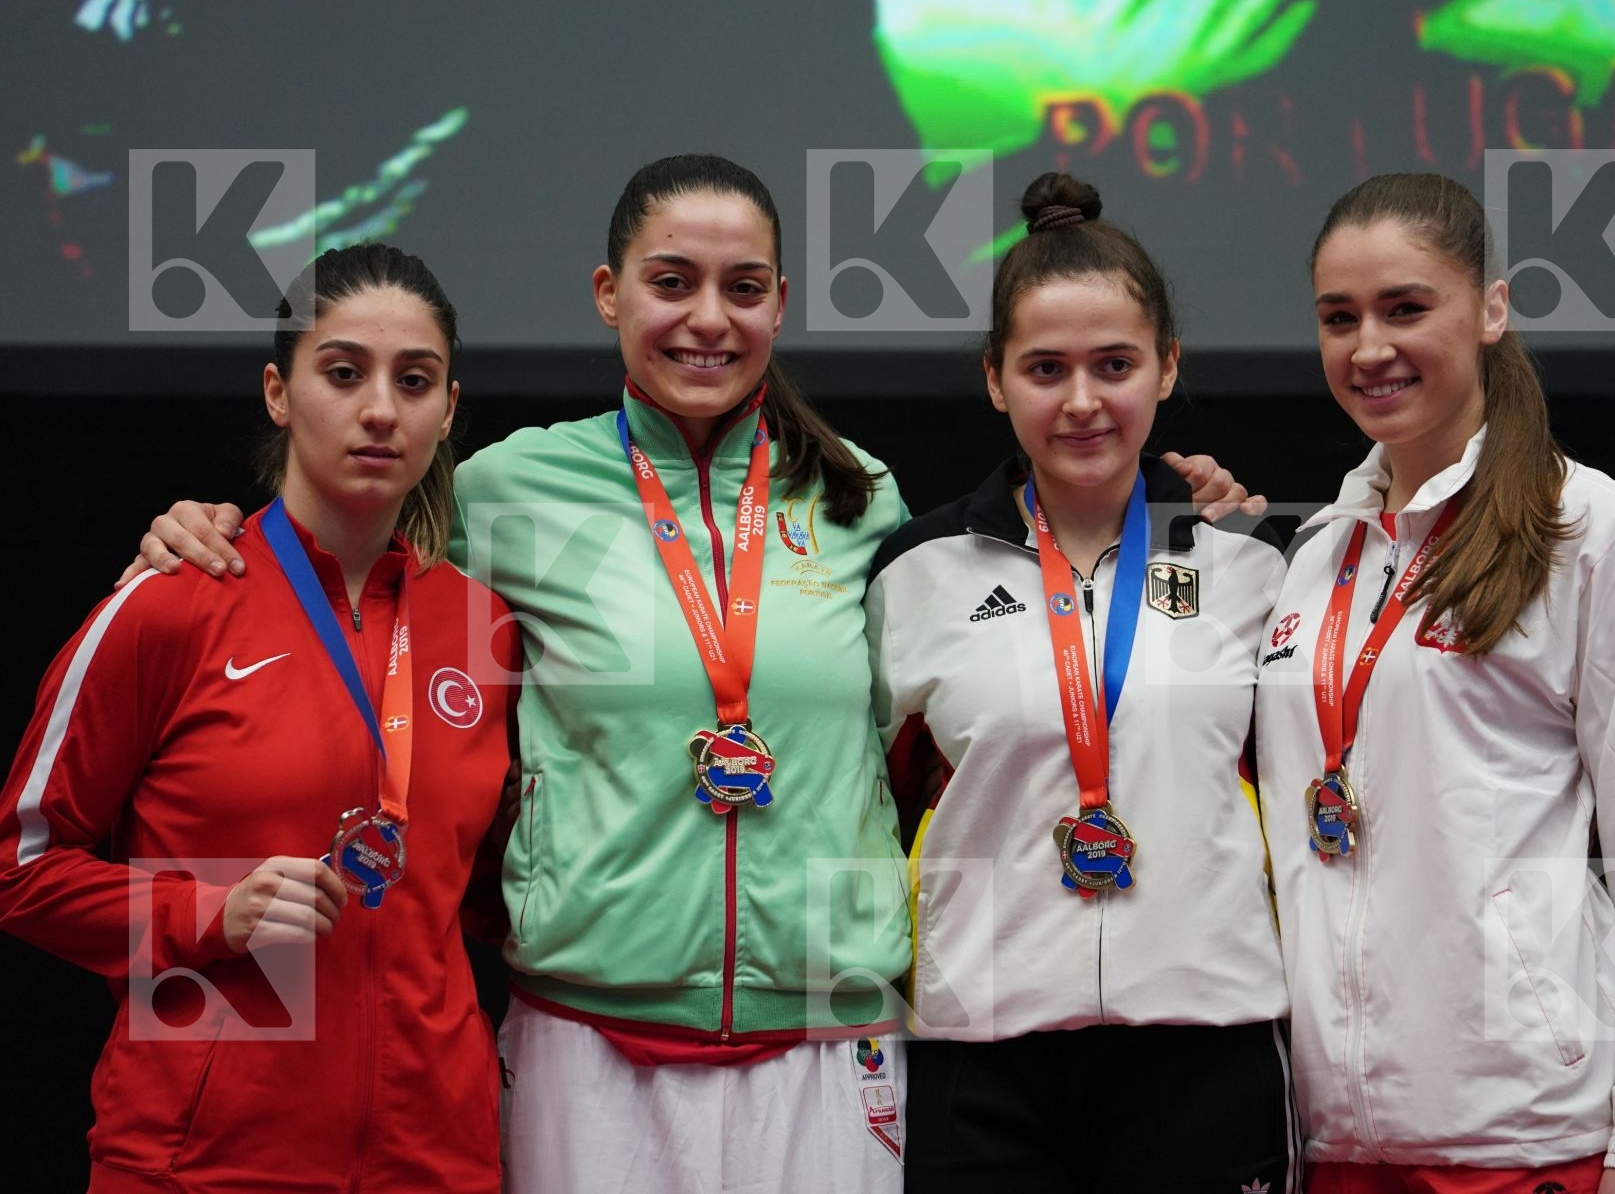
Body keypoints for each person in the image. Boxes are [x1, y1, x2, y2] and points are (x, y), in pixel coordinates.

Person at [111, 154, 1257, 1194]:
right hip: (588, 1042)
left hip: (826, 1033)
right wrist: (205, 530)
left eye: (744, 288)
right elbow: (346, 582)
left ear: (780, 306)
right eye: (671, 282)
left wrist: (1178, 512)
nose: (707, 318)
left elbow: (962, 714)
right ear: (610, 294)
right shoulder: (511, 493)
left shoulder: (863, 499)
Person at [1253, 172, 1615, 1193]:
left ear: (1490, 307)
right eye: (1338, 317)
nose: (1368, 347)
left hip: (1525, 1139)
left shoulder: (1597, 535)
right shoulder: (1318, 553)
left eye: (1405, 307)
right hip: (1329, 1141)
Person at [0, 243, 519, 1193]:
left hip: (437, 1160)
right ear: (279, 393)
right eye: (343, 372)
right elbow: (22, 871)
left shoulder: (486, 632)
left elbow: (495, 890)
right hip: (202, 1162)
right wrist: (209, 913)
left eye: (415, 381)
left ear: (448, 412)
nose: (378, 409)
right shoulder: (173, 601)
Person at [866, 172, 1295, 1193]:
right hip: (984, 1059)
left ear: (1167, 366)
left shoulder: (1250, 564)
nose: (1084, 401)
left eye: (1115, 365)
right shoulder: (916, 571)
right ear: (994, 379)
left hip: (1209, 1045)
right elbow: (859, 819)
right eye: (1046, 369)